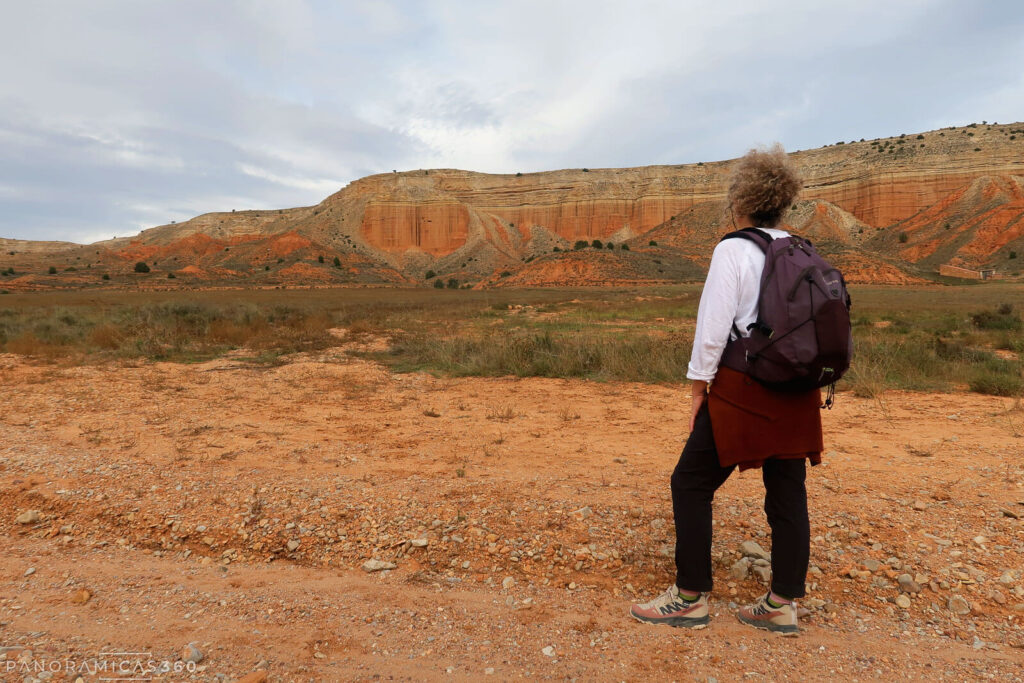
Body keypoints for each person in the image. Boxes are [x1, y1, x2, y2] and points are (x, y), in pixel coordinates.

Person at [629, 144, 821, 635]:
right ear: (783, 201)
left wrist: (698, 389)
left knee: (690, 483)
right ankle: (781, 604)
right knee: (787, 491)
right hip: (797, 389)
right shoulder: (803, 249)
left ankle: (689, 597)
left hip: (744, 388)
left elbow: (713, 329)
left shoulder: (733, 248)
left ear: (742, 200)